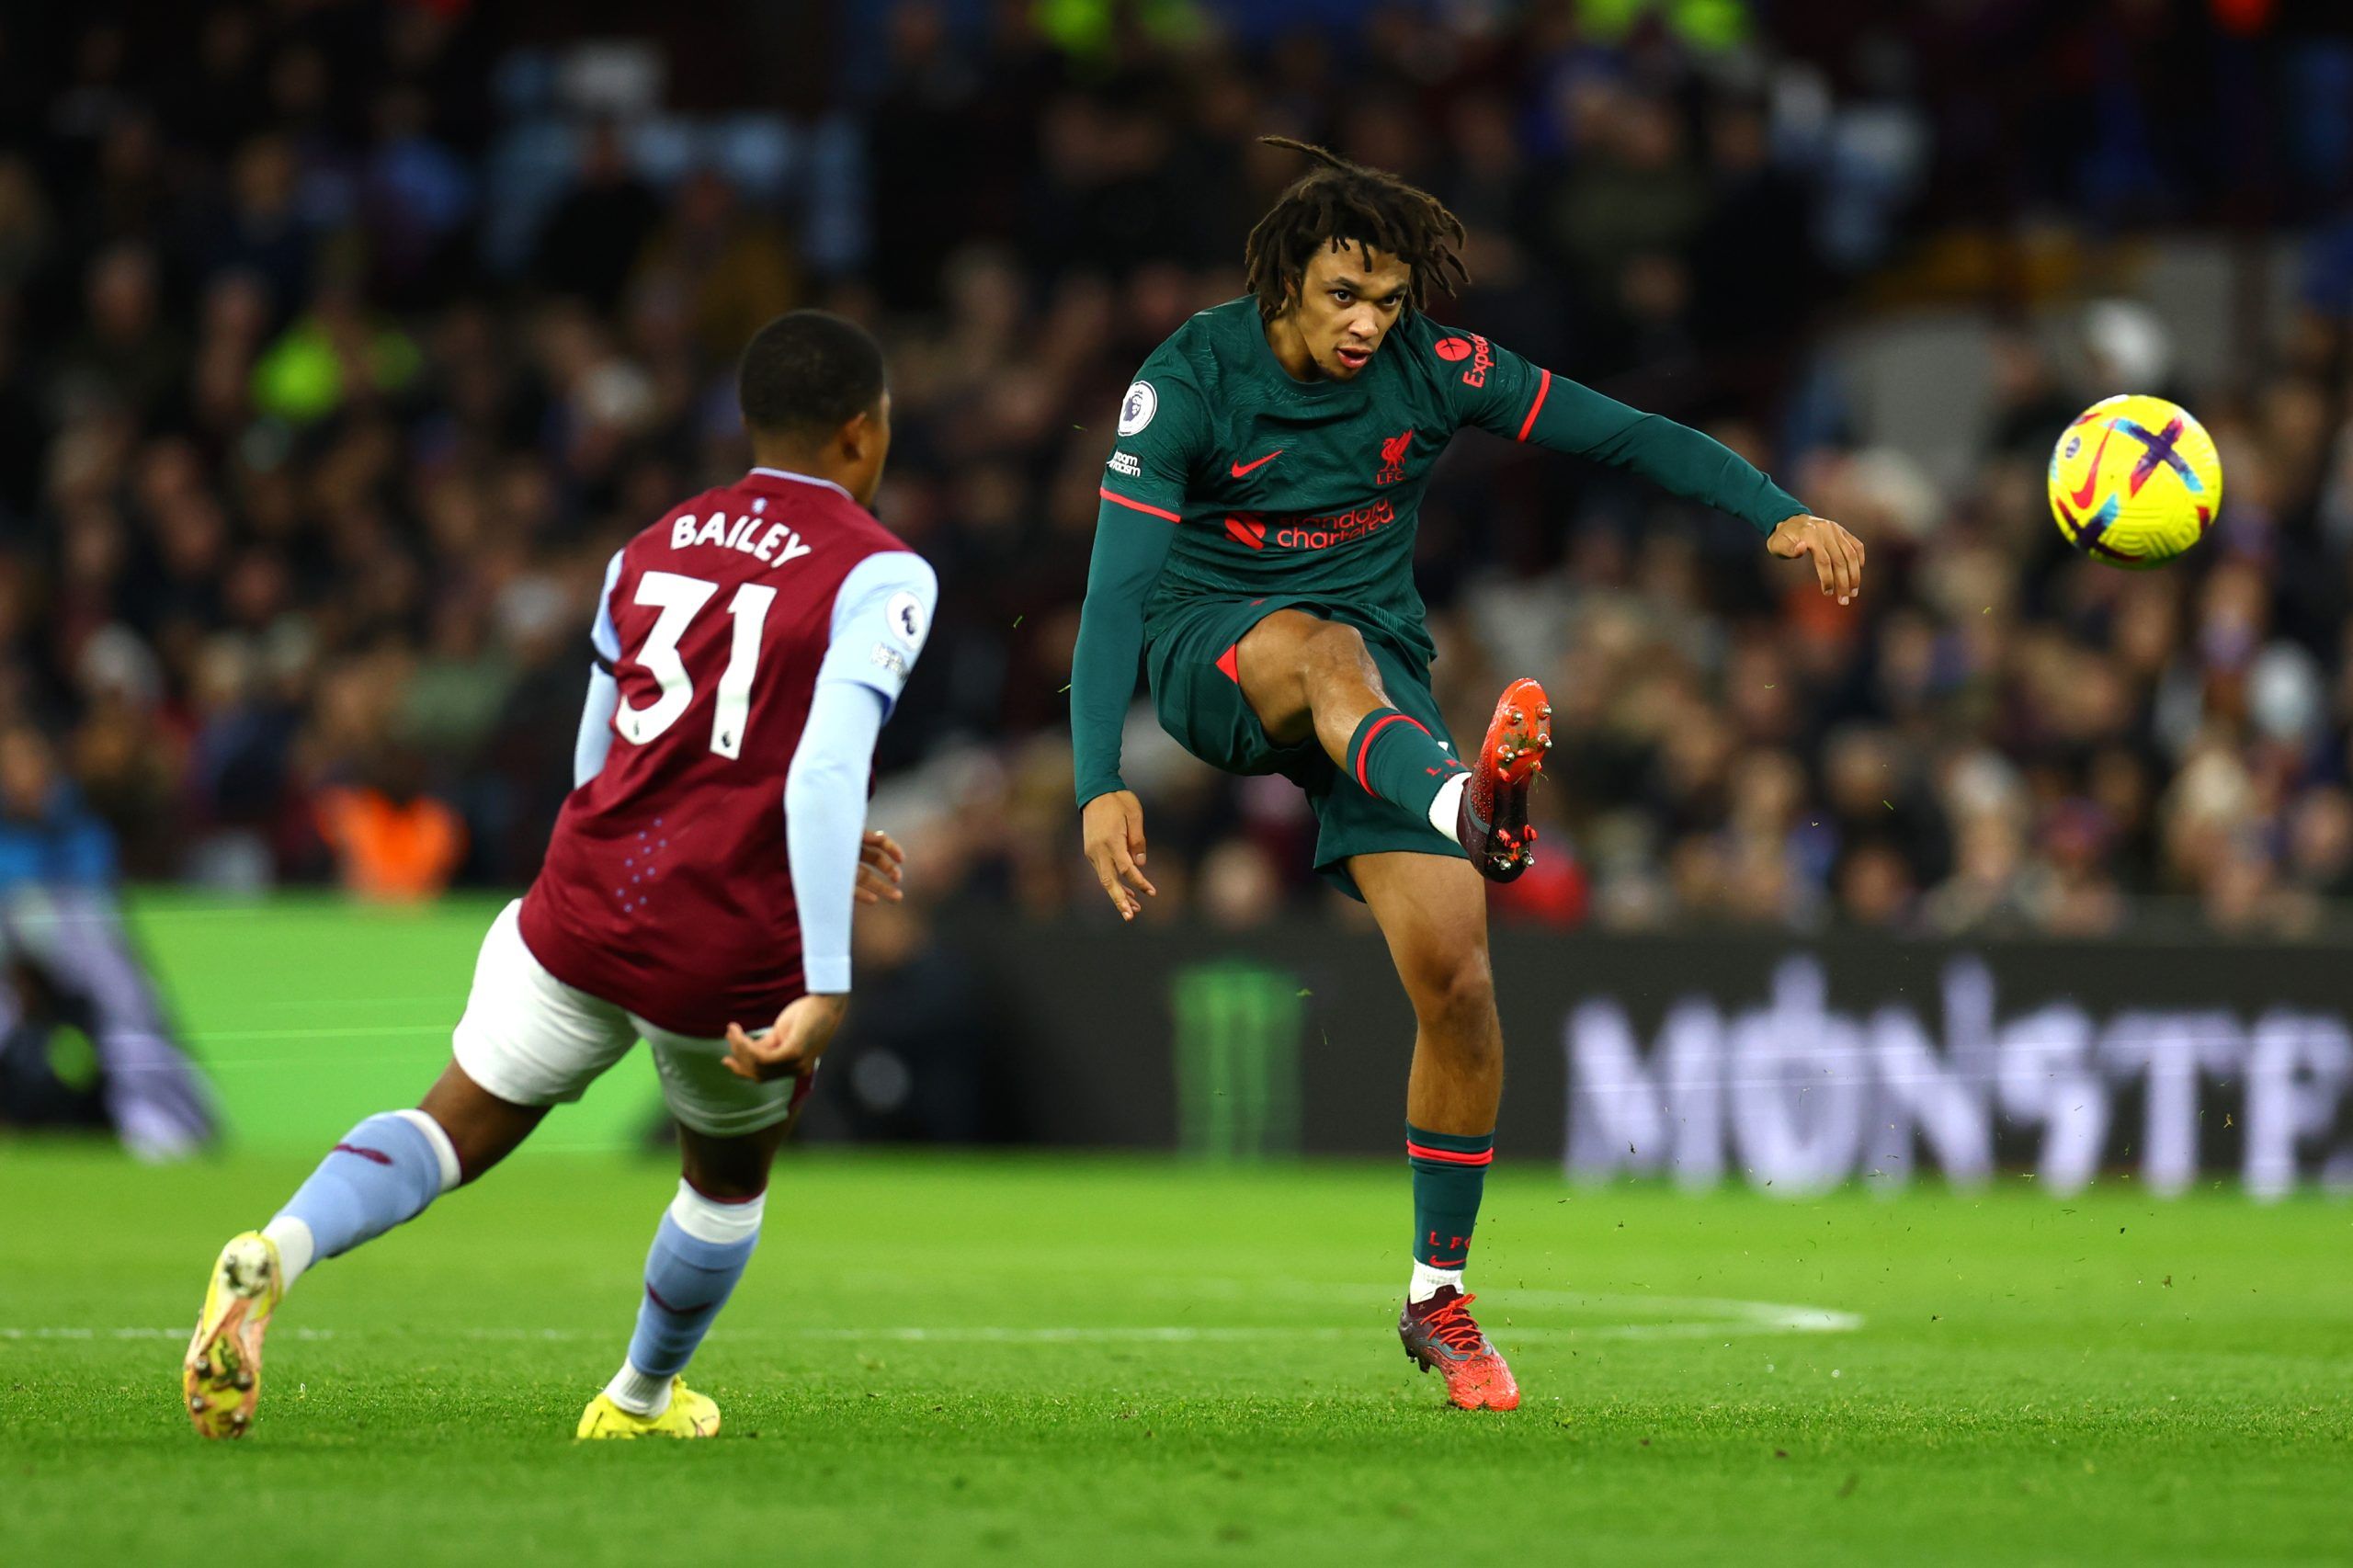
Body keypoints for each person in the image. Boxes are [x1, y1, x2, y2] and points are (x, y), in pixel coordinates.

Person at [1069, 140, 1865, 1412]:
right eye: (1344, 295)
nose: (1368, 323)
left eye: (1388, 301)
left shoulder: (1436, 372)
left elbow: (1624, 431)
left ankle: (1437, 1293)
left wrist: (1769, 506)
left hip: (1376, 689)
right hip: (1221, 657)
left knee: (1459, 975)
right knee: (1322, 650)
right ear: (1282, 279)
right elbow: (1114, 588)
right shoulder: (1188, 382)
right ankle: (1467, 803)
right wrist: (1099, 776)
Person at [181, 311, 938, 1440]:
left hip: (583, 902)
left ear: (748, 424)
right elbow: (824, 766)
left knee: (449, 1124)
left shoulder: (653, 542)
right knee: (725, 1180)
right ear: (862, 434)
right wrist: (825, 977)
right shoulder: (883, 574)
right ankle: (637, 1399)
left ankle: (272, 1249)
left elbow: (605, 751)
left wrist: (650, 850)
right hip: (722, 945)